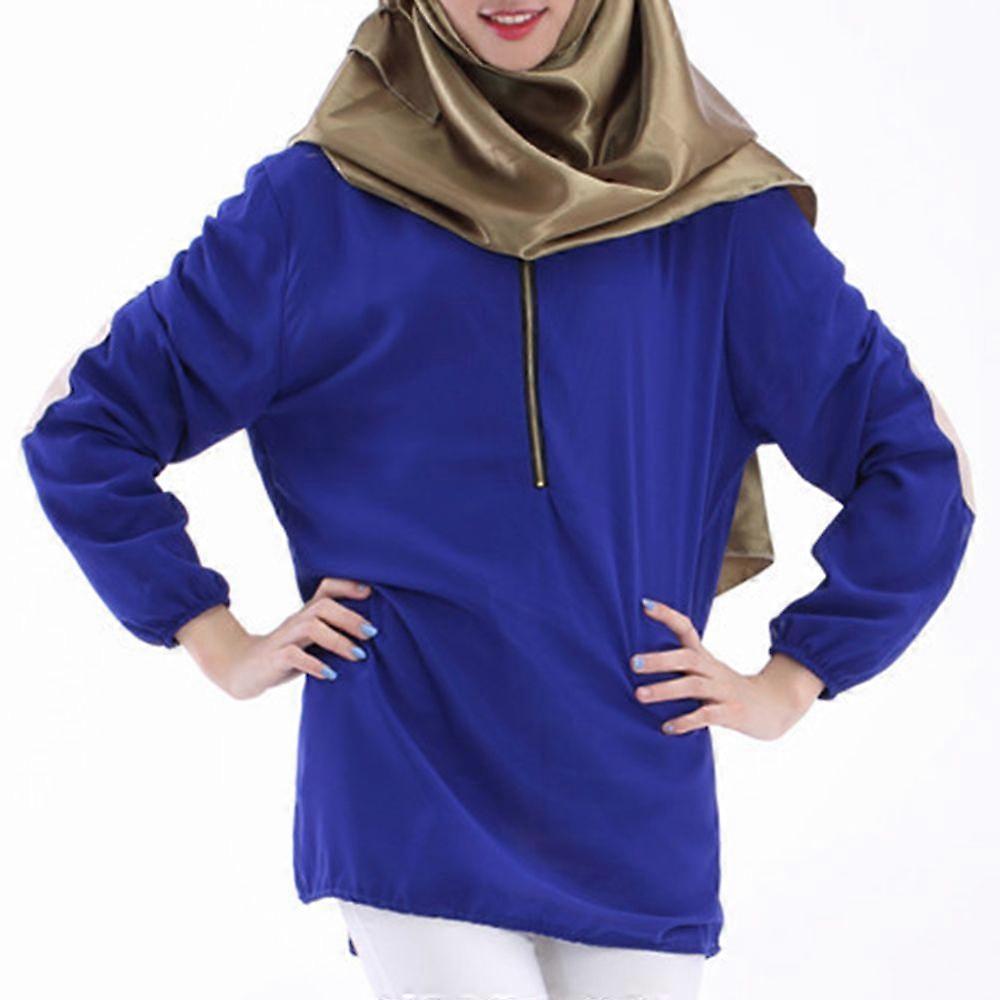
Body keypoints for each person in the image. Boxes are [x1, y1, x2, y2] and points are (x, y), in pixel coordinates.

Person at [20, 2, 976, 998]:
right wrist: (213, 636)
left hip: (635, 785)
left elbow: (916, 461)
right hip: (409, 772)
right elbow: (85, 425)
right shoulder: (316, 203)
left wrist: (796, 677)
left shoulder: (717, 216)